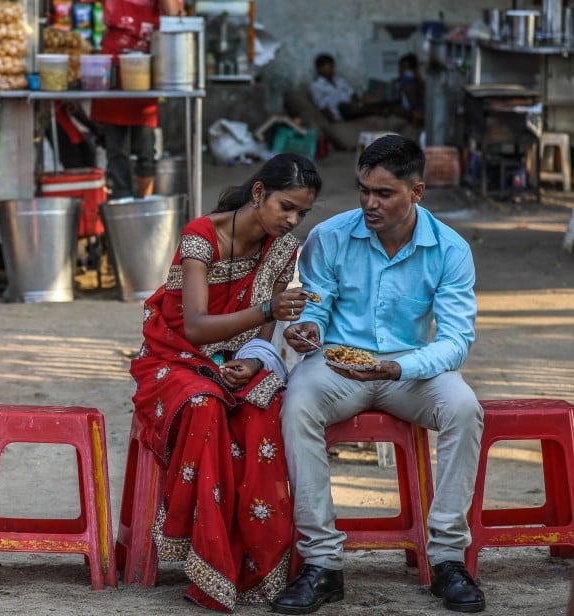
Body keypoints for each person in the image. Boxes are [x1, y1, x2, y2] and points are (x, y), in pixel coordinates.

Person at [274, 134, 484, 614]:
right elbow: (317, 307)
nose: (369, 202)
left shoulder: (450, 250)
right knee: (298, 402)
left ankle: (449, 559)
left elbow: (455, 341)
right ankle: (322, 563)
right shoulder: (329, 237)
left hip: (409, 370)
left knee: (464, 408)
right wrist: (306, 328)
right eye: (364, 189)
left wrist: (399, 366)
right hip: (336, 368)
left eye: (384, 193)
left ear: (417, 192)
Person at [129, 153, 323, 612]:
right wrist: (270, 311)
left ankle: (257, 564)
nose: (292, 220)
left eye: (302, 213)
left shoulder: (282, 249)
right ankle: (208, 561)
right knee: (204, 405)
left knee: (267, 403)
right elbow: (194, 326)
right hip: (172, 357)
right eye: (286, 207)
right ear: (259, 193)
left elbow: (261, 335)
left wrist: (256, 362)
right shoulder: (203, 235)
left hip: (235, 360)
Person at [25, 0, 183, 199]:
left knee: (146, 152)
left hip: (144, 78)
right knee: (116, 153)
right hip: (110, 77)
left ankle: (145, 207)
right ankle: (122, 206)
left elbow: (173, 13)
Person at [309, 53, 386, 122]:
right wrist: (334, 122)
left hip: (354, 109)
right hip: (342, 114)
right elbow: (323, 107)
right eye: (328, 67)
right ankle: (375, 111)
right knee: (343, 106)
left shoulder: (339, 80)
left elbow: (352, 93)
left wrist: (354, 103)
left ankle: (381, 108)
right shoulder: (316, 86)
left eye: (332, 67)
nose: (332, 70)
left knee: (375, 101)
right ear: (320, 69)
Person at [390, 52, 425, 127]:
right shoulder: (401, 81)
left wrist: (415, 111)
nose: (402, 70)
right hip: (411, 109)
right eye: (402, 67)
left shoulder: (410, 80)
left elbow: (416, 97)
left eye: (405, 67)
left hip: (414, 111)